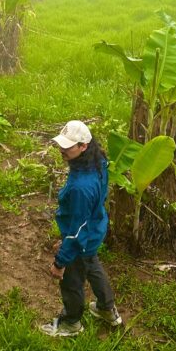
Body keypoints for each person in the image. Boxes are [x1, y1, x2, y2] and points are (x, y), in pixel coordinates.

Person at [40, 119, 123, 337]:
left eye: (68, 147)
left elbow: (76, 234)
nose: (62, 150)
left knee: (71, 280)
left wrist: (60, 262)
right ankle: (107, 309)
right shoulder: (98, 162)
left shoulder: (80, 187)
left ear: (83, 146)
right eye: (61, 144)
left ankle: (71, 323)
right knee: (92, 266)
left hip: (82, 236)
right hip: (95, 229)